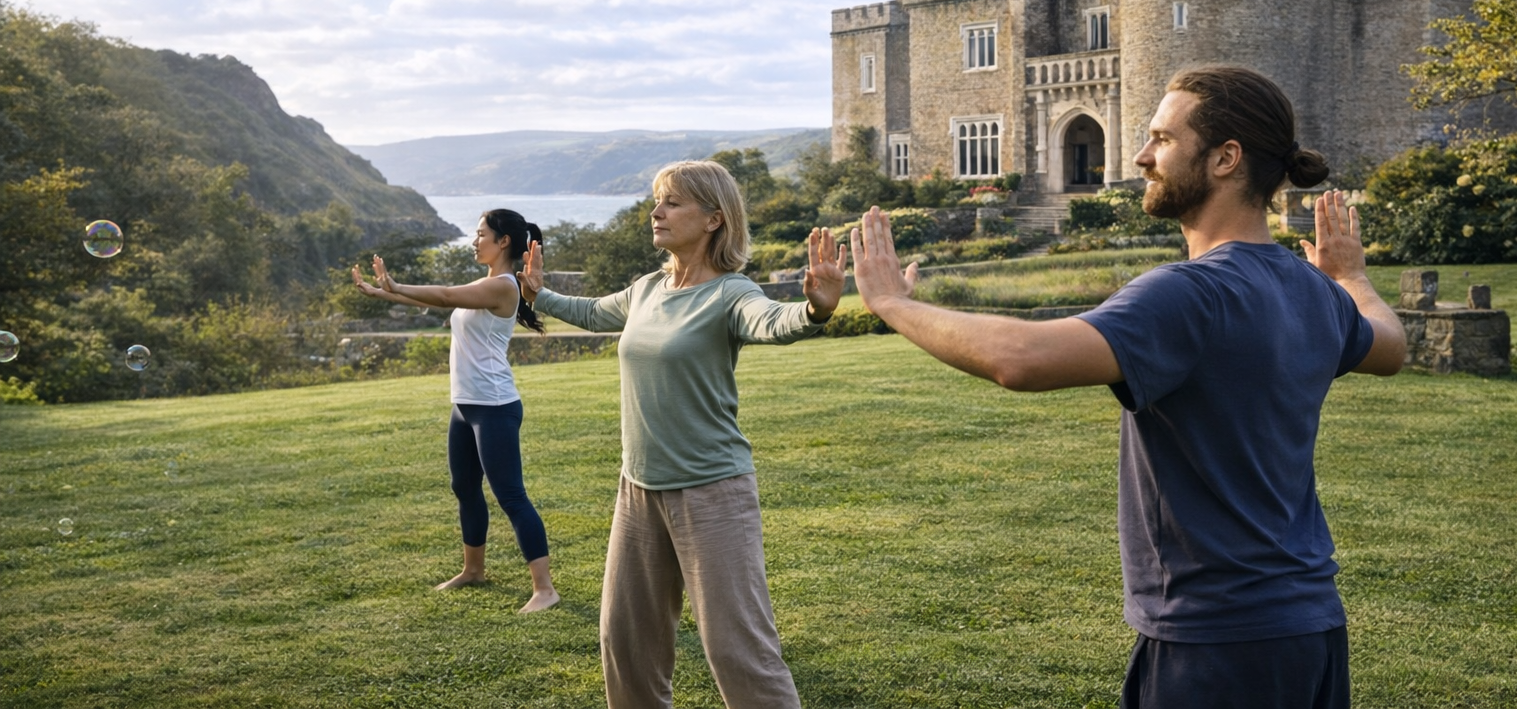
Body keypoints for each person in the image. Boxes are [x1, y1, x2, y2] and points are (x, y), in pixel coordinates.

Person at [849, 65, 1407, 709]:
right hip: (1310, 629)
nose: (1142, 157)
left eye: (1163, 139)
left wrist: (891, 302)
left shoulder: (1191, 293)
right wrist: (1351, 277)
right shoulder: (1310, 289)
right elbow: (1388, 347)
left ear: (1227, 159)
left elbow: (1022, 359)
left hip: (1216, 643)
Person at [517, 160, 846, 709]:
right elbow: (595, 313)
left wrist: (816, 308)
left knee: (738, 651)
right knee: (626, 644)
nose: (656, 211)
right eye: (656, 200)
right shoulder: (647, 289)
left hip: (712, 491)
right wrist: (538, 293)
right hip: (638, 490)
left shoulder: (731, 293)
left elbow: (771, 321)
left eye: (671, 202)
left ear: (714, 218)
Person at [351, 208, 560, 613]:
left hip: (495, 406)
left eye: (481, 234)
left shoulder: (502, 286)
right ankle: (474, 570)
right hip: (465, 405)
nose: (474, 240)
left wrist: (394, 282)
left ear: (503, 241)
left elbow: (445, 295)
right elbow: (438, 299)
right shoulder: (485, 283)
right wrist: (382, 292)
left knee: (511, 496)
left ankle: (545, 589)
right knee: (464, 488)